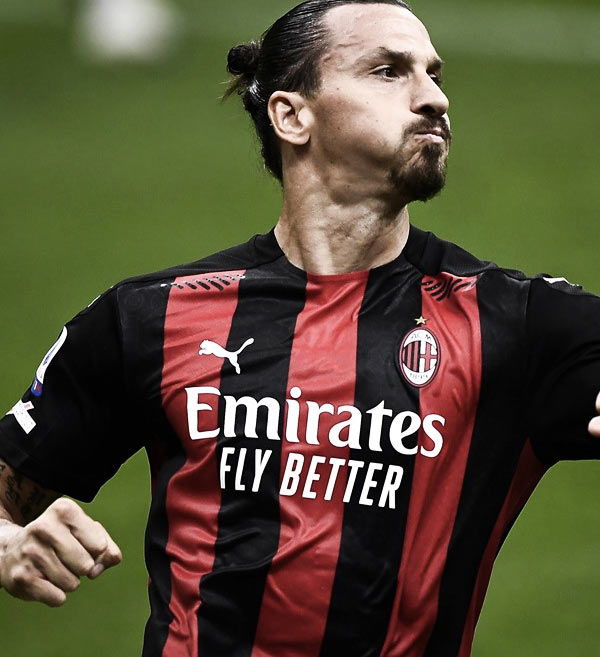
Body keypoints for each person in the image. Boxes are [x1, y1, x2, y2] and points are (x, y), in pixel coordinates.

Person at [0, 1, 598, 656]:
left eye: (434, 74)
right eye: (388, 71)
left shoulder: (517, 324)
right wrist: (7, 544)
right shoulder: (152, 317)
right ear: (291, 116)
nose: (433, 98)